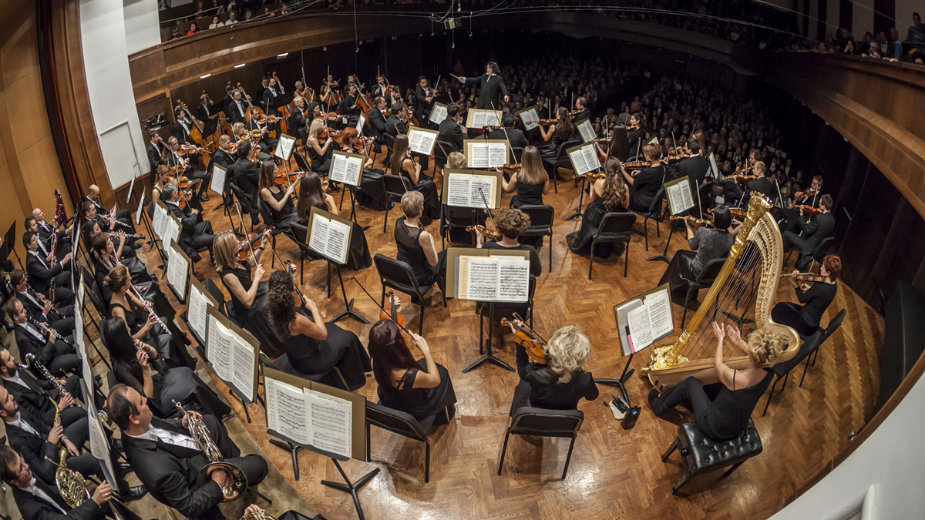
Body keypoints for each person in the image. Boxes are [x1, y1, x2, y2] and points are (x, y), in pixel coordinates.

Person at [108, 383, 268, 520]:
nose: (146, 400)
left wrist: (181, 423)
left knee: (210, 421)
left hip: (186, 454)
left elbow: (160, 426)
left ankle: (233, 464)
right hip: (196, 476)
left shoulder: (135, 426)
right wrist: (217, 482)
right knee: (259, 464)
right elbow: (190, 507)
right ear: (133, 418)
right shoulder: (158, 470)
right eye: (142, 402)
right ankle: (233, 472)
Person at [649, 322, 785, 441]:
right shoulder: (769, 374)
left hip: (713, 427)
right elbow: (757, 356)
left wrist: (720, 339)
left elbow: (718, 364)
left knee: (690, 382)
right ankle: (691, 401)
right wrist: (739, 342)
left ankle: (659, 406)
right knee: (715, 384)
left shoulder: (736, 379)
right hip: (736, 427)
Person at [101, 317, 230, 419]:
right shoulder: (121, 369)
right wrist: (145, 369)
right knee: (191, 386)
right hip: (156, 402)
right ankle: (216, 414)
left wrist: (148, 348)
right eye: (126, 329)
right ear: (121, 337)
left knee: (187, 372)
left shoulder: (128, 346)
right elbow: (147, 398)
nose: (130, 329)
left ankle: (216, 408)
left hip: (156, 383)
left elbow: (156, 358)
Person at [266, 270, 371, 390]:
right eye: (294, 290)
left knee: (332, 327)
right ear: (289, 295)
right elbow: (323, 334)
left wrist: (294, 277)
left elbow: (297, 302)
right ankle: (356, 379)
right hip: (311, 361)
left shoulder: (274, 311)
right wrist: (314, 308)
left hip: (296, 356)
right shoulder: (296, 320)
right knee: (349, 337)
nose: (297, 290)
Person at [104, 264, 195, 369]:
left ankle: (187, 360)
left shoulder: (125, 292)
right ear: (123, 287)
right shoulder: (118, 310)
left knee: (166, 321)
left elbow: (142, 306)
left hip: (141, 328)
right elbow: (129, 340)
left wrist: (148, 306)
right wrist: (147, 326)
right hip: (139, 342)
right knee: (167, 338)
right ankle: (178, 367)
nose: (131, 279)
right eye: (129, 279)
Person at [368, 317, 456, 421]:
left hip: (393, 397)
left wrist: (396, 311)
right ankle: (444, 413)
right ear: (396, 345)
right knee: (442, 372)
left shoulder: (377, 358)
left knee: (424, 364)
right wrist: (426, 350)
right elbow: (435, 381)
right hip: (415, 407)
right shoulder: (405, 375)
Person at [1, 444, 113, 520]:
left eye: (22, 461)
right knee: (98, 500)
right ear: (14, 482)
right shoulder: (31, 510)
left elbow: (53, 491)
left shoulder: (26, 474)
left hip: (68, 511)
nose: (26, 466)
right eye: (21, 468)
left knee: (105, 497)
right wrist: (93, 502)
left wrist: (72, 482)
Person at [507, 322, 599, 415]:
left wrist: (520, 340)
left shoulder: (537, 374)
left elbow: (522, 368)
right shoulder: (585, 379)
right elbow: (592, 396)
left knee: (523, 385)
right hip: (564, 418)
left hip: (536, 411)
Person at [657, 205, 738, 301]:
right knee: (686, 255)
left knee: (680, 254)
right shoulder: (730, 239)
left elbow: (692, 245)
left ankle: (668, 287)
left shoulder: (704, 231)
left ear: (715, 221)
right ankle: (687, 292)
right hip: (711, 275)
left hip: (697, 271)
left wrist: (687, 225)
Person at [296, 171, 372, 270]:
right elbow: (335, 220)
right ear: (317, 186)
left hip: (313, 237)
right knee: (356, 229)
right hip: (324, 240)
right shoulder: (319, 204)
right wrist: (331, 201)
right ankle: (360, 262)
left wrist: (323, 192)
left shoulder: (301, 201)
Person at [566, 157, 631, 257]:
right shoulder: (625, 187)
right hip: (613, 224)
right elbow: (625, 207)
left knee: (591, 208)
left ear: (605, 169)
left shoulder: (599, 183)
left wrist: (591, 182)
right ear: (618, 169)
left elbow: (592, 199)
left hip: (600, 222)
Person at [4, 297, 79, 375]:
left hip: (49, 349)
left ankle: (79, 369)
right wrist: (51, 341)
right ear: (15, 317)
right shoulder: (22, 338)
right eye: (22, 311)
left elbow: (39, 338)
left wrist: (44, 332)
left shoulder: (24, 319)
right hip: (49, 364)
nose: (25, 311)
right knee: (77, 359)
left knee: (75, 337)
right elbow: (40, 361)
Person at [772, 254, 840, 337]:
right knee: (782, 306)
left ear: (828, 273)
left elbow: (802, 298)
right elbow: (819, 296)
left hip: (805, 324)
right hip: (813, 323)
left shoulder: (821, 287)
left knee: (777, 310)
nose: (821, 267)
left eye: (823, 267)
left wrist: (796, 283)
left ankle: (778, 338)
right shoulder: (834, 285)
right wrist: (809, 288)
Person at [395, 191, 446, 293]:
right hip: (419, 277)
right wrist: (431, 240)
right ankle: (446, 290)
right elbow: (434, 262)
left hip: (403, 271)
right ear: (420, 211)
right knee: (446, 254)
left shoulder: (398, 223)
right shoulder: (422, 236)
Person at [476, 208, 542, 277]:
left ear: (499, 228)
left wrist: (479, 240)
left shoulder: (488, 247)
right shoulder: (530, 251)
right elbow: (537, 273)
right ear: (522, 229)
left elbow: (479, 267)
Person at [390, 134, 440, 225]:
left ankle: (431, 212)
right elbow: (415, 181)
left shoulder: (393, 157)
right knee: (431, 185)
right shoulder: (407, 162)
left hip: (400, 187)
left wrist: (409, 155)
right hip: (410, 188)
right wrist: (418, 168)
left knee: (428, 182)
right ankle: (434, 213)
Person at [162, 182, 215, 260]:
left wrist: (188, 201)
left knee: (207, 224)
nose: (178, 193)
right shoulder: (173, 210)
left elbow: (183, 218)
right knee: (217, 238)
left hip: (187, 231)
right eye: (176, 191)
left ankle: (213, 255)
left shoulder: (168, 204)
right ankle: (214, 253)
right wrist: (194, 213)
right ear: (173, 194)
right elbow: (190, 223)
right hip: (189, 239)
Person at [782, 194, 835, 269]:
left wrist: (801, 215)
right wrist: (810, 224)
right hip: (817, 248)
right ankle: (799, 263)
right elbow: (819, 230)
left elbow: (807, 230)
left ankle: (779, 258)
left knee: (786, 234)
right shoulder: (832, 220)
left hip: (808, 246)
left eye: (820, 204)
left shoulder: (819, 218)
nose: (818, 205)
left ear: (823, 206)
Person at [23, 231, 73, 303]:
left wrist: (55, 264)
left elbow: (46, 264)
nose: (37, 241)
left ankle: (69, 299)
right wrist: (62, 262)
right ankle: (69, 303)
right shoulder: (31, 262)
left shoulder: (36, 252)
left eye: (35, 238)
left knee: (68, 274)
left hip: (50, 281)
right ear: (28, 245)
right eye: (34, 240)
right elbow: (46, 274)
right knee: (69, 293)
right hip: (46, 289)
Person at [623, 143, 666, 212]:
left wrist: (623, 171)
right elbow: (653, 176)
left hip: (642, 203)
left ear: (653, 156)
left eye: (646, 154)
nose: (645, 156)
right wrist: (640, 172)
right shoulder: (661, 167)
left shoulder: (647, 172)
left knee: (622, 191)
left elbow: (634, 183)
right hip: (651, 200)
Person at [258, 160, 300, 229]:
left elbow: (287, 192)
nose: (278, 170)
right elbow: (278, 207)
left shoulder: (276, 182)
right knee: (305, 219)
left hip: (290, 211)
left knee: (308, 212)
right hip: (282, 219)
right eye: (276, 169)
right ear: (269, 173)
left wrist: (297, 180)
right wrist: (288, 193)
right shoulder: (264, 191)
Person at [539, 106, 577, 178]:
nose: (556, 115)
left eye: (557, 114)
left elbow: (545, 139)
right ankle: (553, 171)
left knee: (540, 153)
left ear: (559, 116)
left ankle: (550, 173)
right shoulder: (571, 127)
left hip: (553, 152)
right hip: (563, 153)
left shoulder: (553, 127)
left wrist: (540, 127)